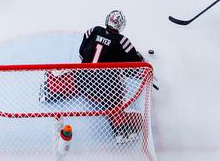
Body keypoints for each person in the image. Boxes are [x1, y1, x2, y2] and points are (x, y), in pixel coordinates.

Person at [40, 10, 147, 144]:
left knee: (75, 75)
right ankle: (123, 129)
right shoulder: (123, 41)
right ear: (120, 26)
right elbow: (135, 69)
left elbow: (82, 52)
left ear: (108, 20)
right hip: (106, 92)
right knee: (118, 106)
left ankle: (51, 88)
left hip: (83, 83)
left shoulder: (94, 30)